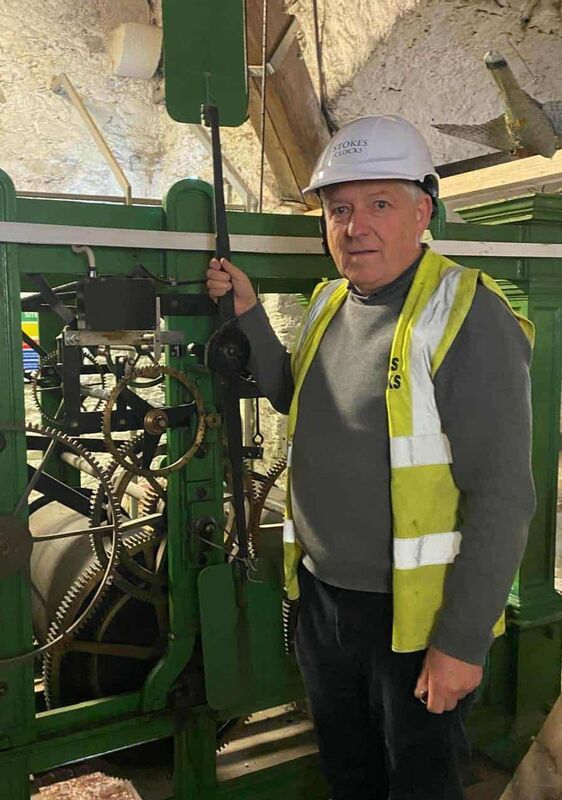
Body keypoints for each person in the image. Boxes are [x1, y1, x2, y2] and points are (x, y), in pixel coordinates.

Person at [206, 114, 535, 800]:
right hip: (326, 602)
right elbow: (301, 398)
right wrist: (248, 316)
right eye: (339, 209)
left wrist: (462, 642)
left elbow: (504, 495)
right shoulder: (330, 302)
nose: (356, 227)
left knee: (419, 782)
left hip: (415, 620)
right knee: (349, 772)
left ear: (423, 210)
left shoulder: (466, 314)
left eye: (380, 205)